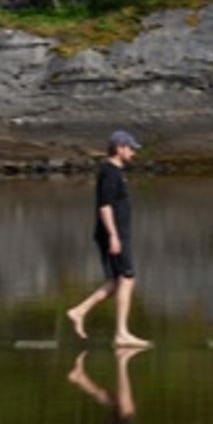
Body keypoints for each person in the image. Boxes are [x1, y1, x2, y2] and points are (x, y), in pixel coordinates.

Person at [66, 130, 150, 348]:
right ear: (119, 147)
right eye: (130, 148)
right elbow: (105, 206)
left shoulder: (116, 171)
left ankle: (79, 311)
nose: (133, 152)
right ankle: (121, 333)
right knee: (127, 278)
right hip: (113, 235)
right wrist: (113, 236)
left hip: (119, 233)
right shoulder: (110, 173)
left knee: (119, 281)